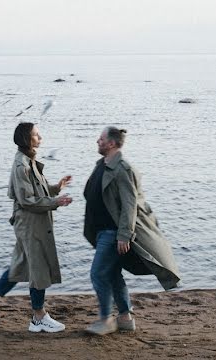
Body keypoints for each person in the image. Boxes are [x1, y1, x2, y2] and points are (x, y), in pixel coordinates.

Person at [0, 122, 74, 332]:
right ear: (27, 139)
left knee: (20, 266)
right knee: (39, 267)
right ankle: (38, 317)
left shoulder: (29, 161)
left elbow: (38, 192)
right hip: (29, 223)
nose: (40, 138)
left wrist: (56, 188)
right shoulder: (22, 165)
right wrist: (56, 202)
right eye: (37, 135)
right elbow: (27, 200)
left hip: (31, 222)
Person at [83, 126, 180, 335]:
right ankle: (125, 318)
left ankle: (106, 319)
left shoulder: (123, 168)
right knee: (113, 274)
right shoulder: (103, 164)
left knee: (98, 274)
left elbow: (130, 204)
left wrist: (124, 235)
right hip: (101, 231)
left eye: (100, 139)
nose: (97, 141)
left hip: (113, 232)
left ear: (111, 143)